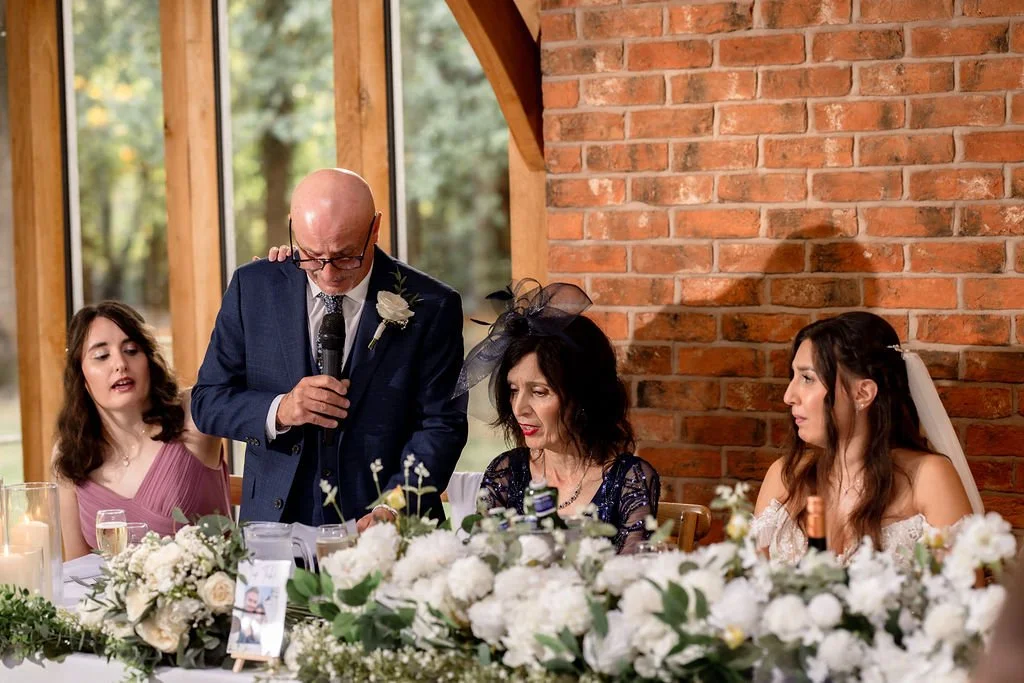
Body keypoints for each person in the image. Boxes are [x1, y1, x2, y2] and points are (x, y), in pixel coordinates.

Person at [192, 168, 467, 529]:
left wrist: (396, 506)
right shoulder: (253, 288)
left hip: (383, 531)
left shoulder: (433, 305)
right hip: (273, 529)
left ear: (375, 228)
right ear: (293, 228)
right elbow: (208, 402)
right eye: (311, 255)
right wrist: (281, 409)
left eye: (345, 256)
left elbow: (441, 426)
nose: (327, 273)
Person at [751, 311, 984, 566]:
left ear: (863, 394)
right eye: (793, 376)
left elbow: (967, 598)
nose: (789, 396)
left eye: (807, 378)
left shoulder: (928, 477)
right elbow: (748, 589)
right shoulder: (784, 476)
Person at [457, 281, 659, 554]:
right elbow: (482, 561)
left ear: (583, 396)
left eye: (539, 392)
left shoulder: (629, 479)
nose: (519, 408)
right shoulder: (506, 472)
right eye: (514, 390)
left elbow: (628, 577)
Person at [54, 301, 228, 559]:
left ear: (149, 359)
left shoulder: (193, 413)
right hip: (116, 600)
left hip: (210, 594)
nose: (120, 364)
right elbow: (77, 568)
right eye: (102, 356)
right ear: (81, 376)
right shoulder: (70, 451)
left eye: (132, 350)